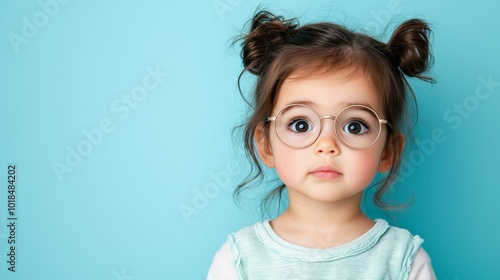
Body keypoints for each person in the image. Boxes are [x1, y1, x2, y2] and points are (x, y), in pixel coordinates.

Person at [208, 9, 436, 280]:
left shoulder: (403, 260)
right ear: (266, 145)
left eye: (355, 126)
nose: (327, 145)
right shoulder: (238, 259)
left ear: (388, 152)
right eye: (301, 124)